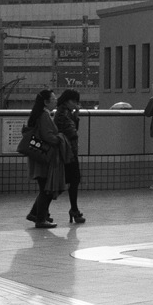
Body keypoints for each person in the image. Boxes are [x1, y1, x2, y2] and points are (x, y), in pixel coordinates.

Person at [24, 88, 62, 229]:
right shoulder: (44, 116)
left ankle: (35, 214)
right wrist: (59, 139)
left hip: (38, 155)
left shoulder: (38, 114)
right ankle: (40, 219)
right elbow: (48, 136)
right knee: (46, 189)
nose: (56, 101)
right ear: (46, 102)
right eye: (53, 99)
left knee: (44, 187)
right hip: (44, 157)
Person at [54, 89, 85, 224]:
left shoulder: (65, 112)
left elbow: (73, 129)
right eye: (74, 101)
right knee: (69, 180)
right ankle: (73, 210)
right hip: (67, 153)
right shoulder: (62, 114)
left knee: (69, 181)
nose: (76, 104)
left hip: (69, 152)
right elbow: (72, 133)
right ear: (67, 100)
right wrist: (74, 118)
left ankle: (74, 209)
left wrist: (75, 115)